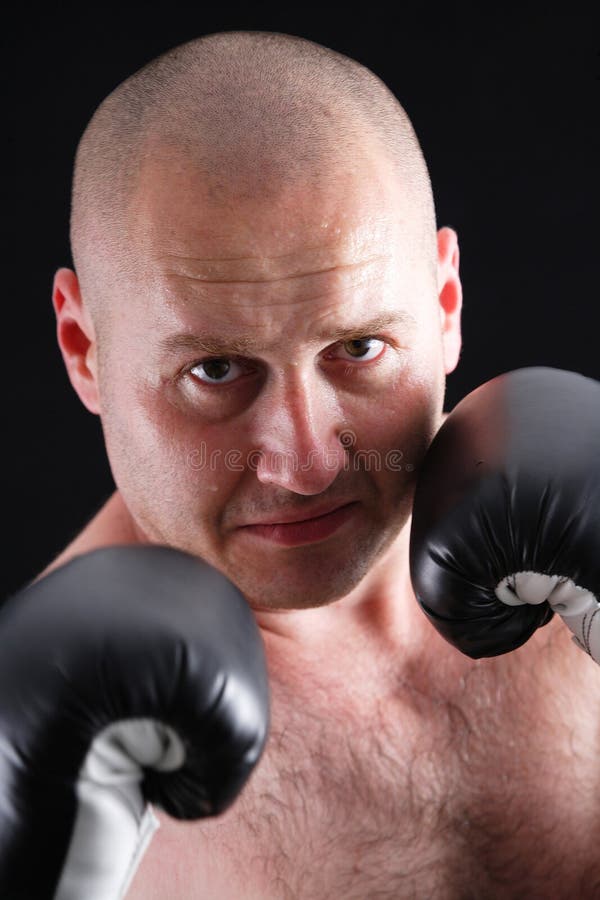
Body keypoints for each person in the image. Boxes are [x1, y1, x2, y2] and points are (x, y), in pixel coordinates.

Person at [42, 29, 599, 898]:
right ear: (85, 349)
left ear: (445, 304)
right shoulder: (60, 760)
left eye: (359, 347)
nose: (304, 462)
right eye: (215, 371)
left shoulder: (582, 550)